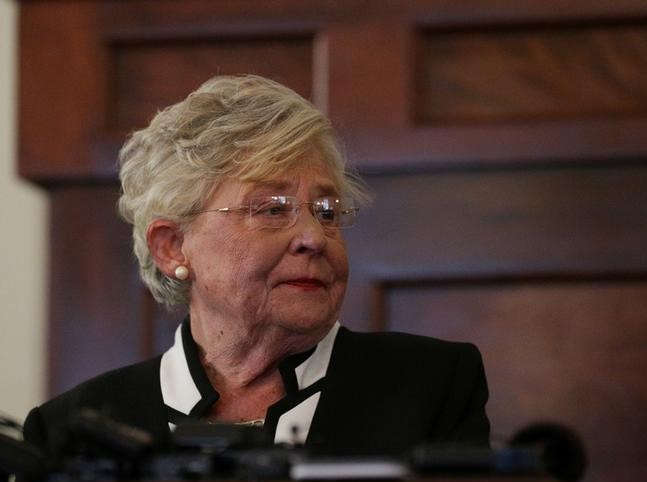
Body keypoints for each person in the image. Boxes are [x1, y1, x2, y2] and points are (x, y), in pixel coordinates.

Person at [23, 74, 490, 461]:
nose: (313, 238)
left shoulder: (431, 386)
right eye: (272, 209)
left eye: (327, 211)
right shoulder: (69, 430)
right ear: (173, 248)